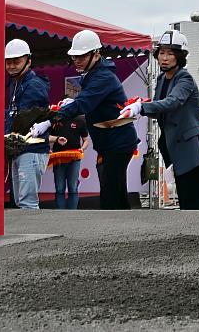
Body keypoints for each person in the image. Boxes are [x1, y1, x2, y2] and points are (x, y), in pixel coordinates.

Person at [123, 30, 199, 210]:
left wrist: (142, 107)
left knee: (196, 206)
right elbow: (159, 108)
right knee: (185, 204)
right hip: (177, 150)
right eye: (161, 53)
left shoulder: (185, 78)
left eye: (170, 53)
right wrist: (137, 106)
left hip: (194, 150)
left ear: (180, 57)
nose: (164, 58)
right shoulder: (162, 79)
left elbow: (172, 102)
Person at [53, 30, 139, 210]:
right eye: (74, 56)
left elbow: (84, 103)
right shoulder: (93, 73)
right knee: (115, 191)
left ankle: (117, 231)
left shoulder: (102, 77)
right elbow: (85, 101)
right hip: (111, 143)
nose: (76, 60)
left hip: (118, 142)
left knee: (111, 193)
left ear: (96, 54)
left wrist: (53, 117)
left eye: (81, 56)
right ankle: (126, 231)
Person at [4, 39, 51, 210]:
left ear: (28, 61)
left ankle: (37, 237)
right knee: (20, 201)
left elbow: (23, 118)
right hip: (20, 149)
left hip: (32, 149)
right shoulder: (15, 84)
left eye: (17, 62)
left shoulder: (34, 85)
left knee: (27, 203)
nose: (11, 66)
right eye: (8, 62)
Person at [48, 108, 90, 209]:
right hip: (58, 158)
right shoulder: (55, 120)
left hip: (74, 159)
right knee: (59, 187)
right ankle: (60, 214)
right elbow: (48, 137)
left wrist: (82, 149)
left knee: (73, 187)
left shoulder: (80, 120)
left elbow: (86, 140)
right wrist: (49, 149)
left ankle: (72, 214)